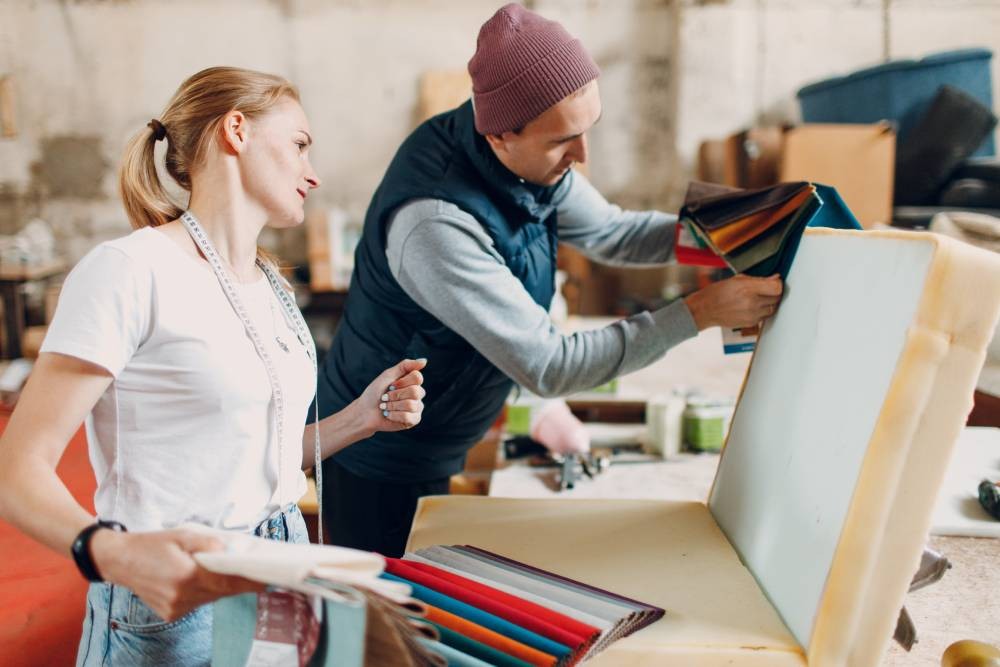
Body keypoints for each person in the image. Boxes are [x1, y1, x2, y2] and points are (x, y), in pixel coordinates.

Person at [316, 2, 782, 559]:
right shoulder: (434, 224)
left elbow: (613, 232)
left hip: (443, 433)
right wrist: (700, 312)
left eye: (588, 131)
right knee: (393, 633)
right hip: (381, 463)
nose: (582, 155)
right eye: (564, 141)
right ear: (501, 136)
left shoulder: (526, 160)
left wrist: (734, 231)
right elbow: (549, 365)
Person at [0, 66, 426, 666]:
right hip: (176, 589)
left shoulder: (268, 283)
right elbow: (16, 470)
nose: (314, 172)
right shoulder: (129, 271)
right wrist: (117, 557)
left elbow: (252, 457)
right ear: (236, 131)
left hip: (283, 570)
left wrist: (362, 418)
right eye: (300, 144)